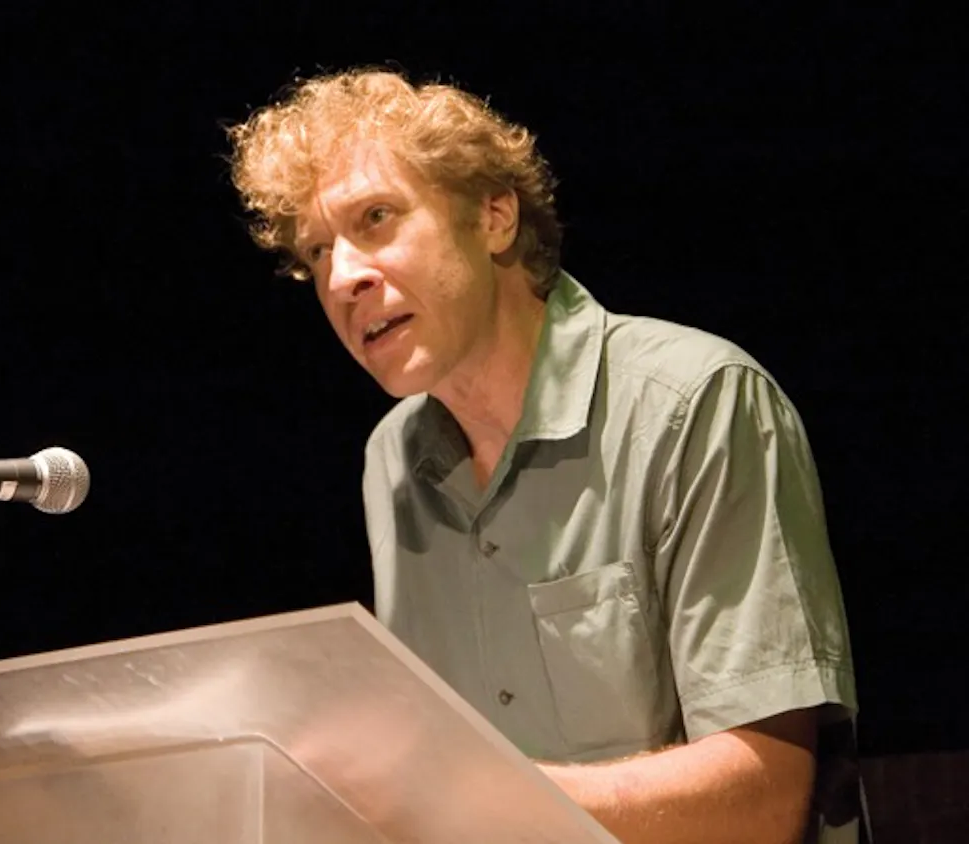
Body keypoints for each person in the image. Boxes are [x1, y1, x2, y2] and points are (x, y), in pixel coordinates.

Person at [224, 67, 866, 844]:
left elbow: (763, 799)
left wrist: (476, 793)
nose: (344, 277)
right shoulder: (390, 460)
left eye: (378, 218)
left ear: (494, 217)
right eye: (318, 252)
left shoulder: (694, 400)